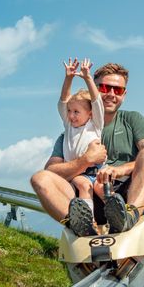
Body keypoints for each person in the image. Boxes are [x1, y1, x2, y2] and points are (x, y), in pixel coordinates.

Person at [30, 62, 144, 237]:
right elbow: (52, 171)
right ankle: (80, 224)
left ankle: (128, 216)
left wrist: (118, 170)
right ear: (94, 87)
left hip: (126, 192)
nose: (110, 94)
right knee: (39, 178)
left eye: (117, 90)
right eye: (104, 87)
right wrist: (85, 160)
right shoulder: (69, 134)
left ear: (124, 94)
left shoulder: (132, 120)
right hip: (87, 198)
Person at [56, 57, 105, 236]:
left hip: (97, 170)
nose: (72, 115)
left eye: (77, 112)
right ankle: (88, 224)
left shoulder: (95, 125)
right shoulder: (68, 126)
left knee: (104, 189)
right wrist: (68, 78)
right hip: (77, 172)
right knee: (84, 186)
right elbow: (63, 100)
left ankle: (118, 218)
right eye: (70, 111)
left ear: (90, 114)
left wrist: (88, 78)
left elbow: (97, 101)